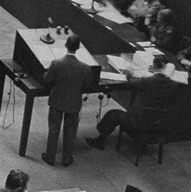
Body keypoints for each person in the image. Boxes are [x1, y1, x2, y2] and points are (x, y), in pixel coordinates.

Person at [86, 55, 179, 150]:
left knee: (112, 114)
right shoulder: (174, 85)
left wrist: (129, 72)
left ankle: (100, 141)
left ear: (154, 66)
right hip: (160, 123)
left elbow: (131, 80)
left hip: (140, 121)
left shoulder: (147, 81)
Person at [41, 34, 95, 167]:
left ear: (66, 45)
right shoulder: (86, 68)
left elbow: (47, 79)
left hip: (57, 100)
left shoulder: (56, 63)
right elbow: (88, 86)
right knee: (70, 131)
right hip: (73, 102)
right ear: (78, 47)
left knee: (54, 129)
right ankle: (66, 158)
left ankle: (50, 157)